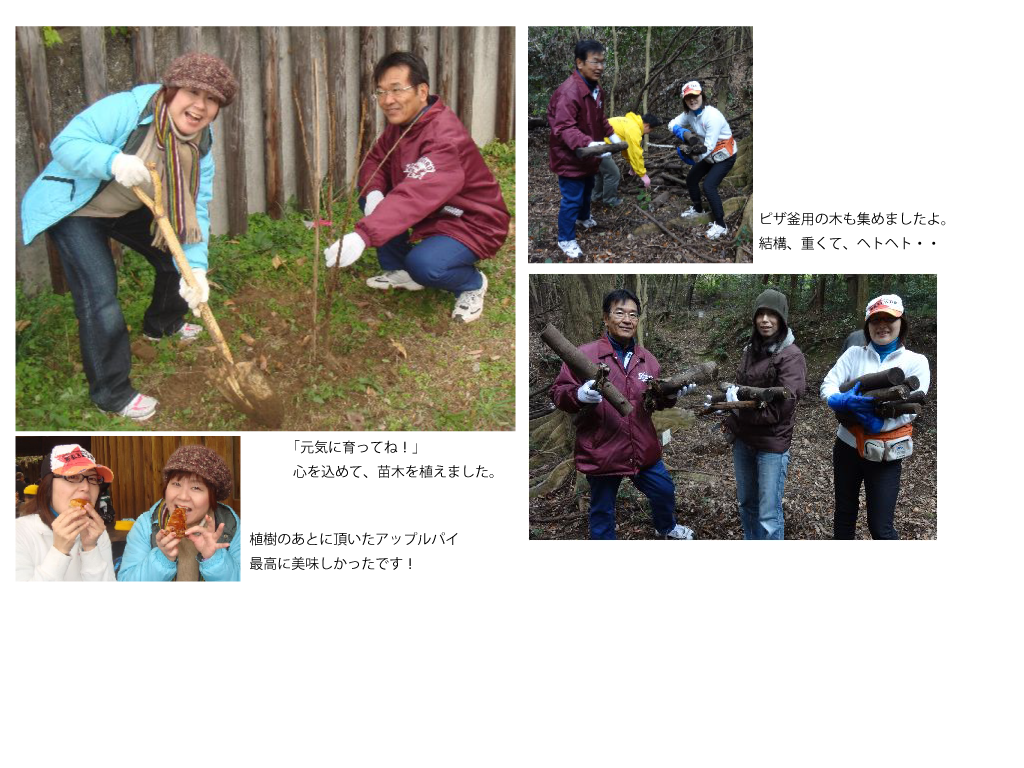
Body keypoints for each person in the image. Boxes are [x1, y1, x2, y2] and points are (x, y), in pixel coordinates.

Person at [21, 53, 239, 421]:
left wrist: (197, 270)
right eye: (192, 92)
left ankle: (163, 324)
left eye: (213, 100)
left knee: (176, 256)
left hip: (126, 207)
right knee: (100, 296)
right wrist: (113, 161)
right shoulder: (127, 109)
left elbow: (195, 207)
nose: (200, 106)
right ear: (170, 91)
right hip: (77, 209)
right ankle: (111, 392)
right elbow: (66, 143)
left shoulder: (200, 144)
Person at [324, 52, 509, 325]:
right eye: (381, 92)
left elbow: (414, 195)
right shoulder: (403, 126)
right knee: (371, 196)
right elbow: (376, 160)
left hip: (471, 221)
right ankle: (400, 269)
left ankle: (471, 283)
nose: (388, 100)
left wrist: (364, 235)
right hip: (435, 212)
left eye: (397, 90)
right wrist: (375, 194)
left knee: (425, 266)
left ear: (422, 91)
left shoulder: (444, 138)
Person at [550, 288, 696, 540]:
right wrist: (579, 394)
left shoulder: (648, 361)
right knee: (602, 510)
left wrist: (671, 395)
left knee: (663, 490)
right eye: (619, 312)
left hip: (642, 447)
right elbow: (559, 392)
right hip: (603, 448)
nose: (627, 319)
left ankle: (666, 527)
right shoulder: (584, 355)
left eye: (633, 314)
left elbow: (654, 403)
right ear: (606, 318)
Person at [821, 295, 930, 539]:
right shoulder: (853, 355)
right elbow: (828, 384)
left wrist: (879, 422)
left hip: (886, 452)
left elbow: (911, 406)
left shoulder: (915, 362)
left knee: (881, 527)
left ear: (902, 323)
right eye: (875, 320)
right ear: (867, 326)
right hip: (848, 445)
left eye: (888, 319)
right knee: (844, 516)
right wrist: (837, 399)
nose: (882, 325)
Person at [718, 289, 807, 539]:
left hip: (771, 445)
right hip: (744, 441)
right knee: (747, 504)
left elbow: (782, 407)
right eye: (761, 314)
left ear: (782, 319)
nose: (765, 320)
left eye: (772, 314)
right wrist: (733, 403)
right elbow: (742, 387)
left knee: (768, 513)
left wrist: (738, 412)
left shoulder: (791, 355)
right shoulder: (751, 350)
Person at [118, 444, 240, 581]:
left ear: (212, 496)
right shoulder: (146, 524)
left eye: (196, 487)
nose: (183, 496)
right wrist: (162, 558)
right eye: (176, 484)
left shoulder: (230, 525)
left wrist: (213, 558)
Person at [546, 39, 620, 260]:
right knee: (572, 198)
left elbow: (599, 119)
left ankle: (583, 217)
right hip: (570, 157)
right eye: (595, 62)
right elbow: (563, 127)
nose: (600, 67)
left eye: (602, 62)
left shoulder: (596, 90)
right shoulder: (569, 92)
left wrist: (612, 135)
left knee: (587, 189)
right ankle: (565, 239)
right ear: (579, 62)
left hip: (588, 157)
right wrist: (588, 143)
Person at [15, 444, 116, 581]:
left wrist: (90, 548)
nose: (86, 487)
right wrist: (59, 551)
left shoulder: (98, 534)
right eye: (73, 477)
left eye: (92, 479)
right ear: (48, 486)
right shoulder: (18, 532)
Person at [667, 81, 738, 241]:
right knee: (691, 179)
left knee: (709, 186)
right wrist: (683, 132)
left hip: (724, 156)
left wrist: (691, 158)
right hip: (707, 154)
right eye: (688, 98)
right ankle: (698, 209)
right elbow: (671, 124)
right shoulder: (689, 114)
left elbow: (708, 147)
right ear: (685, 101)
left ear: (702, 95)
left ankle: (721, 224)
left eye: (695, 96)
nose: (692, 100)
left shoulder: (712, 116)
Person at [593, 113, 662, 207]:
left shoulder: (630, 123)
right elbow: (635, 153)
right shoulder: (634, 129)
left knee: (600, 172)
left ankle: (596, 197)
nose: (648, 133)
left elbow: (626, 149)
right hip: (598, 147)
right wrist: (642, 174)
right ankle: (610, 201)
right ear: (647, 125)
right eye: (650, 130)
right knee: (613, 173)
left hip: (593, 143)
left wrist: (632, 165)